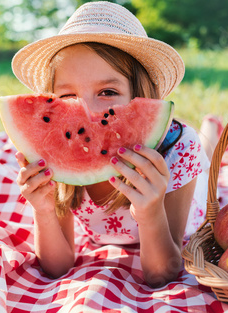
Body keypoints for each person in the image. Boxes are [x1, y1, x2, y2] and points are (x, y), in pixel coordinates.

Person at [11, 1, 214, 288]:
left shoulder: (179, 150)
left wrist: (151, 212)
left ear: (140, 94)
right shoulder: (52, 156)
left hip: (185, 178)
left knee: (206, 152)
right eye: (68, 97)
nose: (89, 113)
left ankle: (211, 132)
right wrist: (42, 210)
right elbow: (57, 267)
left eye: (107, 92)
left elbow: (163, 274)